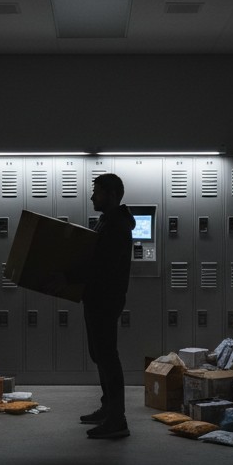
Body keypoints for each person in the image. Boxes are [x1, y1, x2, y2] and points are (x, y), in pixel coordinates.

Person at [75, 173, 135, 439]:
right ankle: (107, 408)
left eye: (97, 193)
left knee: (108, 357)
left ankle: (117, 419)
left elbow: (102, 267)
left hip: (105, 299)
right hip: (95, 297)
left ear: (111, 196)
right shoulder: (106, 222)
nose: (92, 197)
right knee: (99, 355)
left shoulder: (117, 227)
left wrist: (72, 274)